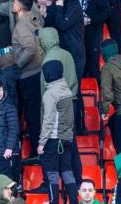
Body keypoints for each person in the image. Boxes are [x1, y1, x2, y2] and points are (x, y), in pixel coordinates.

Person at [38, 60, 78, 204]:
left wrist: (42, 143)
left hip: (53, 140)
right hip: (67, 139)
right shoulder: (66, 90)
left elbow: (48, 120)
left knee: (52, 174)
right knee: (67, 172)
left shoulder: (50, 94)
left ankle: (54, 201)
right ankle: (74, 201)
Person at [13, 0, 44, 152]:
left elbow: (30, 48)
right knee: (36, 112)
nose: (13, 4)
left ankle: (35, 150)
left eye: (14, 2)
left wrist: (17, 65)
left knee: (32, 114)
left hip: (28, 73)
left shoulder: (22, 25)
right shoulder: (35, 18)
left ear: (19, 6)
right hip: (39, 70)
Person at [75, 0, 110, 79]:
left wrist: (90, 20)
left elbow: (106, 12)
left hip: (93, 32)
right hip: (79, 33)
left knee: (93, 64)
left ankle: (95, 90)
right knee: (81, 63)